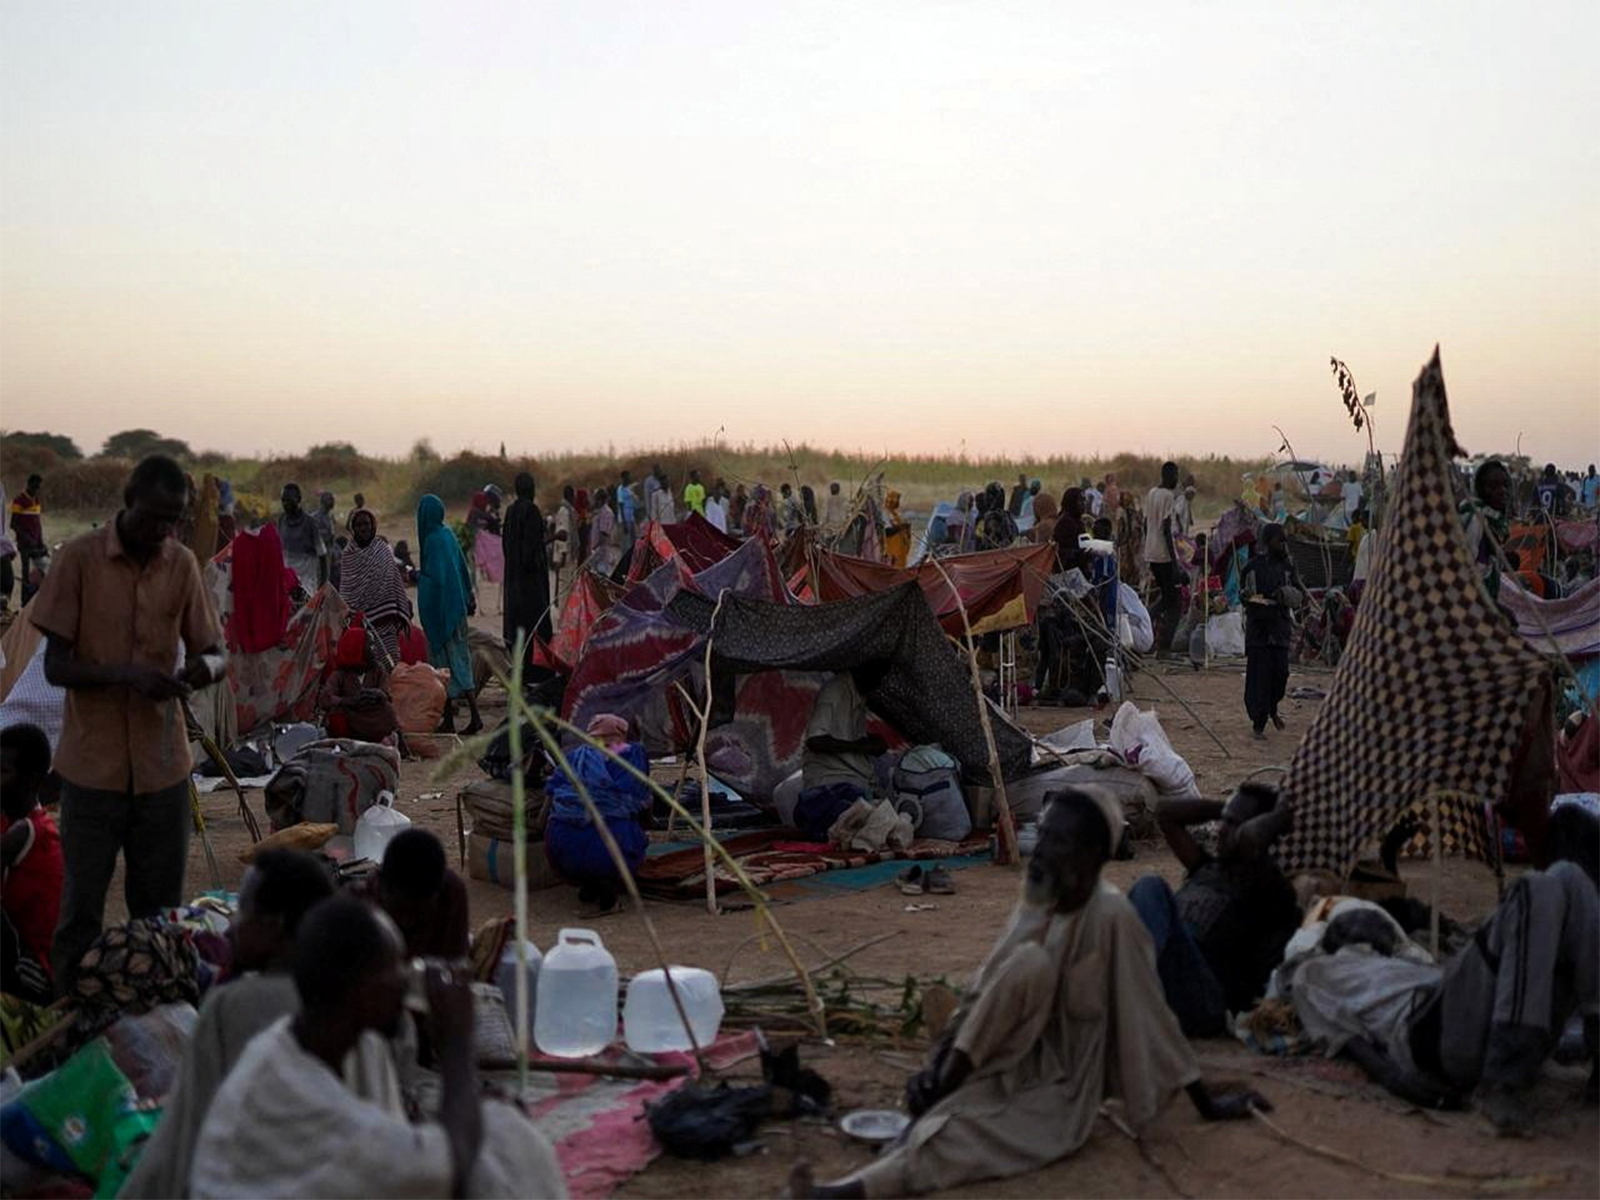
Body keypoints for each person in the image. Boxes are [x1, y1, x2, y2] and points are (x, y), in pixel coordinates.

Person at [792, 788, 1266, 1199]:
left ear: (1091, 856)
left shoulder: (1112, 919)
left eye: (1057, 842)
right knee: (1024, 967)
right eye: (1043, 835)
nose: (1040, 852)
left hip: (1063, 1090)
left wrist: (1207, 1104)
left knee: (956, 1141)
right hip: (1007, 1059)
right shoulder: (1038, 901)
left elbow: (1153, 1017)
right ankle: (943, 1089)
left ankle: (844, 1193)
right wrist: (937, 1067)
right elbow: (989, 988)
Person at [190, 896, 565, 1199]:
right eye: (394, 971)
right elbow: (450, 1164)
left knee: (495, 1126)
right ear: (360, 989)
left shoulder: (289, 1048)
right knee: (510, 1143)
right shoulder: (303, 1098)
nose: (404, 983)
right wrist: (455, 1045)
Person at [31, 455, 226, 993]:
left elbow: (217, 653)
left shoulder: (182, 564)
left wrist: (198, 671)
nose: (164, 530)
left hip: (163, 772)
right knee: (79, 916)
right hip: (92, 772)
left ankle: (151, 1027)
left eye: (174, 520)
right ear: (128, 503)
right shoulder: (78, 560)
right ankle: (68, 1026)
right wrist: (127, 675)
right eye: (155, 518)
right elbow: (55, 665)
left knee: (159, 920)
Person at [120, 848, 352, 1198]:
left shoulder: (235, 1006)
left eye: (243, 913)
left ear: (273, 926)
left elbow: (184, 1130)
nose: (233, 928)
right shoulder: (351, 998)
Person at [1341, 829, 1597, 1131]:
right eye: (1350, 917)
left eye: (1370, 913)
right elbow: (1346, 1038)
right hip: (1432, 1040)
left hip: (1471, 1011)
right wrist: (1395, 1080)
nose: (1366, 920)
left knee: (1571, 876)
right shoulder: (1315, 969)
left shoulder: (1411, 952)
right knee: (1536, 888)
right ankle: (1502, 1081)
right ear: (1331, 934)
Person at [1129, 782, 1299, 1037]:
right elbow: (1165, 813)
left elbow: (1250, 840)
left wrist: (1274, 817)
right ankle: (1125, 982)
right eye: (1224, 822)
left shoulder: (1268, 888)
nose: (1221, 831)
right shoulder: (1206, 868)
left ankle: (1127, 986)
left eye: (1233, 825)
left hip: (1205, 1003)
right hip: (1167, 979)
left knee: (1150, 887)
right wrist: (1228, 810)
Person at [544, 714, 651, 912]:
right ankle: (606, 888)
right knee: (625, 836)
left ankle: (589, 884)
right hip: (610, 839)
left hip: (562, 841)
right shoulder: (631, 755)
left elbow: (552, 787)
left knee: (584, 844)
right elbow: (638, 792)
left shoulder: (577, 756)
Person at [1, 723, 62, 1003]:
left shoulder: (25, 832)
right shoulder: (21, 823)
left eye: (3, 773)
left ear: (32, 778)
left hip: (35, 971)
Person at [415, 493, 481, 735]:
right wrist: (467, 595)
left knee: (445, 664)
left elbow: (436, 581)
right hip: (458, 609)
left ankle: (466, 717)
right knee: (460, 661)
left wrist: (418, 578)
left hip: (444, 614)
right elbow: (461, 568)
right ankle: (458, 718)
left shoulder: (433, 540)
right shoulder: (448, 534)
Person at [794, 672, 885, 842]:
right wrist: (861, 746)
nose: (880, 679)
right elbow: (815, 741)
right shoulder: (836, 690)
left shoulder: (859, 695)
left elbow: (846, 736)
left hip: (855, 784)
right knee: (866, 822)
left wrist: (870, 743)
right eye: (878, 671)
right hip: (832, 786)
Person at [360, 826, 471, 960]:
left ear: (436, 894)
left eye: (419, 912)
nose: (407, 921)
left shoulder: (451, 893)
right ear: (381, 886)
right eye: (400, 909)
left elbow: (458, 961)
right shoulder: (361, 903)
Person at [1239, 523, 1303, 737]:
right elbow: (1245, 594)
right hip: (1259, 629)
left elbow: (1298, 594)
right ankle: (1259, 722)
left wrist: (1285, 594)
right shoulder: (1252, 567)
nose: (1282, 544)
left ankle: (1272, 707)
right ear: (1268, 541)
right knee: (1259, 678)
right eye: (1279, 540)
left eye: (1284, 540)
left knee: (1281, 674)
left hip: (1280, 628)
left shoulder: (1288, 567)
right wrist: (1249, 598)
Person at [338, 508, 413, 667]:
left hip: (386, 622)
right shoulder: (348, 555)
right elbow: (347, 591)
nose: (363, 528)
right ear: (353, 528)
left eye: (366, 523)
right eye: (358, 525)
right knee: (366, 666)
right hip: (361, 626)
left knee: (390, 664)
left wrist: (403, 603)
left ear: (373, 525)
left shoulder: (382, 549)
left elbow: (394, 581)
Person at [502, 473, 557, 658]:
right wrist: (553, 538)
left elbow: (508, 546)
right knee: (535, 626)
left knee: (515, 627)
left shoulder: (510, 511)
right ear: (531, 490)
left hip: (513, 581)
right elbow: (531, 551)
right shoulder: (531, 511)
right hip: (530, 585)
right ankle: (536, 670)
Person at [319, 625, 398, 743]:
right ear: (356, 649)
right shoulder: (340, 674)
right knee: (336, 716)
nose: (374, 650)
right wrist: (349, 701)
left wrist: (376, 694)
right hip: (351, 714)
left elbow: (386, 692)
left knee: (387, 711)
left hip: (371, 713)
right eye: (370, 646)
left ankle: (377, 739)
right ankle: (347, 741)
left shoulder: (378, 670)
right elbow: (325, 698)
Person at [1461, 459, 1512, 601]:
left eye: (1504, 485)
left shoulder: (1492, 521)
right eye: (1493, 485)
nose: (1502, 491)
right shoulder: (1473, 520)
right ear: (1479, 488)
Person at [1144, 462, 1181, 650]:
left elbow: (1146, 522)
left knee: (1167, 597)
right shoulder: (1168, 496)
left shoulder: (1152, 493)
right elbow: (1166, 529)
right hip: (1163, 554)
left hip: (1151, 552)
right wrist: (1175, 563)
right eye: (1176, 475)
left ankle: (1149, 626)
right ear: (1170, 476)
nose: (1177, 479)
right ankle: (1163, 645)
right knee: (1173, 601)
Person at [275, 483, 327, 593]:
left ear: (299, 499)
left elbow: (323, 557)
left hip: (306, 586)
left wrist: (323, 587)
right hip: (286, 586)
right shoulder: (281, 521)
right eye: (283, 500)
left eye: (289, 500)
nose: (285, 504)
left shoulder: (310, 524)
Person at [10, 473, 47, 605]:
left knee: (42, 571)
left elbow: (37, 523)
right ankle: (24, 604)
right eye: (35, 487)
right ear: (29, 484)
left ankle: (36, 602)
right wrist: (27, 538)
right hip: (25, 544)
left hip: (36, 543)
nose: (36, 490)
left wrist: (41, 541)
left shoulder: (36, 500)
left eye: (38, 488)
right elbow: (13, 524)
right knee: (26, 575)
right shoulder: (19, 500)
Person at [1051, 487, 1088, 575]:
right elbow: (1062, 551)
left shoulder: (1077, 521)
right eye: (1080, 501)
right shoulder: (1066, 522)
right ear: (1072, 502)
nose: (1083, 504)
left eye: (1084, 501)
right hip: (1069, 572)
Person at [313, 491, 339, 587]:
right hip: (319, 555)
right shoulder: (316, 517)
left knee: (327, 580)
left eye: (333, 500)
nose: (333, 502)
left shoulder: (330, 517)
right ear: (323, 501)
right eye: (330, 499)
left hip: (329, 552)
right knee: (320, 579)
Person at [882, 490, 911, 567]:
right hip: (892, 548)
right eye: (896, 500)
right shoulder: (885, 513)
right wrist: (901, 527)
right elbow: (887, 531)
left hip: (900, 548)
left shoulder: (894, 513)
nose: (898, 503)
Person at [615, 470, 639, 542]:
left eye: (629, 477)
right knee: (626, 542)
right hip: (624, 519)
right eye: (627, 477)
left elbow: (634, 503)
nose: (628, 479)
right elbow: (621, 505)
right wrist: (624, 522)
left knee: (634, 541)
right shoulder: (620, 489)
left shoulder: (630, 489)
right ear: (623, 478)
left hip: (631, 518)